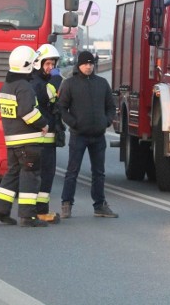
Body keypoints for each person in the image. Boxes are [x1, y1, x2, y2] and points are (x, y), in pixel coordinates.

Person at [0, 46, 50, 227]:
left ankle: (0, 211)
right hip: (28, 141)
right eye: (33, 63)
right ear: (26, 65)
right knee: (30, 176)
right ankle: (28, 216)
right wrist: (43, 124)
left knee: (12, 174)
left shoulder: (7, 84)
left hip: (12, 141)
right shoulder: (24, 87)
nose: (34, 67)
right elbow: (27, 112)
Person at [58, 51, 118, 219]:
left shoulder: (102, 83)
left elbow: (111, 106)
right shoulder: (70, 84)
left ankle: (100, 205)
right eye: (85, 64)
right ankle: (66, 204)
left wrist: (106, 121)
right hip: (79, 135)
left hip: (98, 136)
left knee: (99, 172)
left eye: (91, 64)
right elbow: (61, 108)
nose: (89, 66)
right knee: (72, 171)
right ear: (79, 65)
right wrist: (74, 123)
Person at [30, 43, 65, 223]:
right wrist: (56, 80)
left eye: (53, 64)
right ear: (38, 63)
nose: (51, 68)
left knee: (47, 176)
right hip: (39, 139)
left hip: (48, 138)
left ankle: (39, 210)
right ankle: (39, 211)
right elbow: (46, 96)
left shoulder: (42, 81)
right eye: (48, 64)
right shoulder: (36, 82)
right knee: (41, 176)